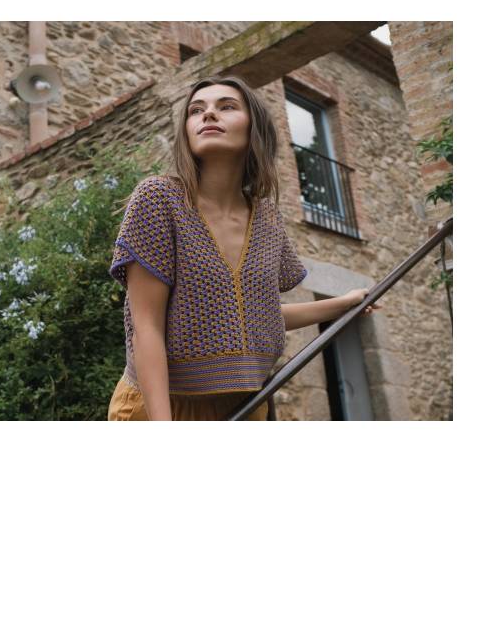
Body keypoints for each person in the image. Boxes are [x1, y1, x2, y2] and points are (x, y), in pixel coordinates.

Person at [106, 75, 381, 421]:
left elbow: (258, 316)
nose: (208, 114)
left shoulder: (267, 218)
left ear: (254, 128)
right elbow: (146, 328)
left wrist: (345, 303)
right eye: (196, 110)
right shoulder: (159, 200)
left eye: (226, 106)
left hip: (247, 406)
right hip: (162, 404)